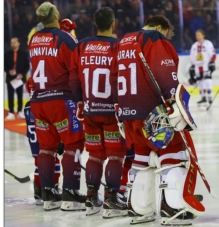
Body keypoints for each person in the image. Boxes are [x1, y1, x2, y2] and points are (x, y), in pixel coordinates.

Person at [112, 15, 204, 226]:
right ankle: (172, 208)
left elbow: (114, 77)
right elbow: (165, 73)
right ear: (160, 27)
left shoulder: (124, 40)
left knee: (142, 157)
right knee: (173, 152)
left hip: (128, 112)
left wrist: (119, 108)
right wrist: (175, 103)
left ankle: (137, 208)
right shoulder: (155, 39)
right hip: (152, 112)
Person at [69, 7, 128, 218]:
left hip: (90, 110)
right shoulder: (119, 46)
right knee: (115, 156)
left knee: (94, 155)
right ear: (114, 24)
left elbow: (74, 78)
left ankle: (91, 198)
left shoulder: (82, 45)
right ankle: (111, 199)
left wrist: (79, 102)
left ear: (95, 24)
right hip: (112, 111)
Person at [27, 2, 86, 211]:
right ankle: (70, 193)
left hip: (38, 101)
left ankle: (48, 195)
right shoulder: (64, 37)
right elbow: (76, 64)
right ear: (57, 14)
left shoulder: (34, 38)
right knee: (73, 145)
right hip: (61, 100)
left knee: (46, 148)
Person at [4, 37, 30, 120]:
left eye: (15, 42)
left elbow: (27, 66)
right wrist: (8, 71)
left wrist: (22, 74)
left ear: (18, 43)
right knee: (10, 95)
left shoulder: (24, 54)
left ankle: (19, 111)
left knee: (20, 95)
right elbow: (4, 66)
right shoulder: (7, 54)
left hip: (19, 78)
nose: (13, 44)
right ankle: (11, 112)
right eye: (12, 43)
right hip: (10, 78)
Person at [188, 29, 216, 105]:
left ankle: (210, 97)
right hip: (197, 67)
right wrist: (192, 66)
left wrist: (212, 62)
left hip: (206, 66)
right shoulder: (194, 45)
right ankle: (203, 97)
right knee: (199, 82)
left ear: (203, 35)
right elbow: (192, 57)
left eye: (199, 35)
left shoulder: (208, 43)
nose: (197, 36)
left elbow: (213, 54)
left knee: (207, 81)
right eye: (196, 35)